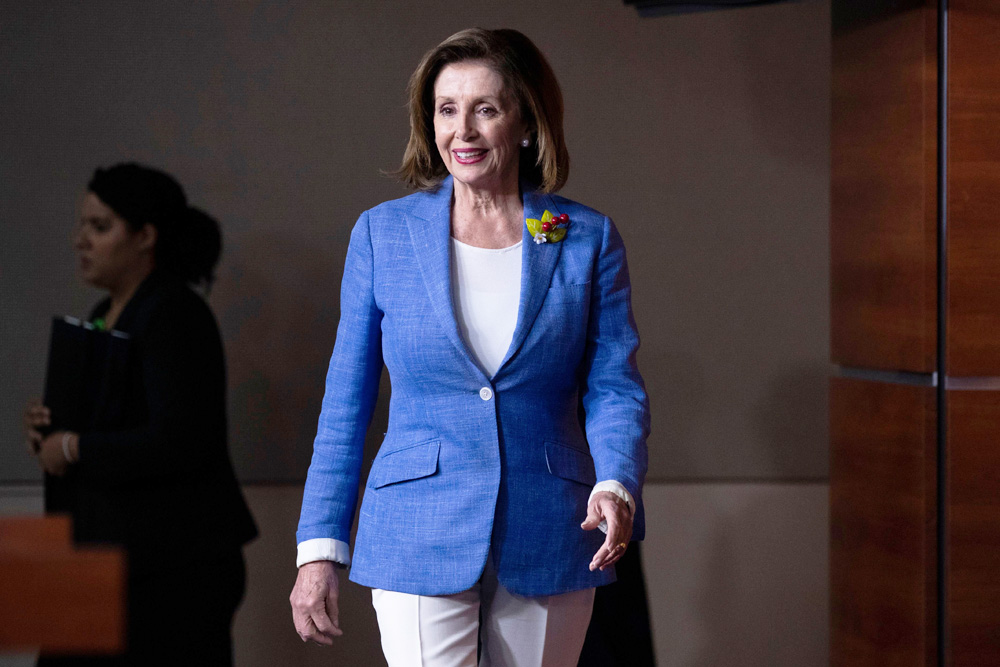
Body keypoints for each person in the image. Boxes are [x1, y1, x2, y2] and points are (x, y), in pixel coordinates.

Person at [290, 28, 649, 667]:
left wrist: (616, 483)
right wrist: (319, 548)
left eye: (485, 108)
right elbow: (345, 403)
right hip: (416, 523)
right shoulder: (383, 235)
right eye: (447, 109)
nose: (464, 131)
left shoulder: (584, 236)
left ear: (527, 123)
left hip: (553, 524)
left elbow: (614, 384)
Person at [23, 163, 258, 666]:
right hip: (111, 552)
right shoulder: (102, 315)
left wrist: (71, 446)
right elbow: (106, 424)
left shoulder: (176, 315)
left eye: (100, 227)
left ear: (145, 236)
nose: (80, 241)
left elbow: (178, 440)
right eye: (82, 225)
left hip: (172, 566)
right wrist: (50, 429)